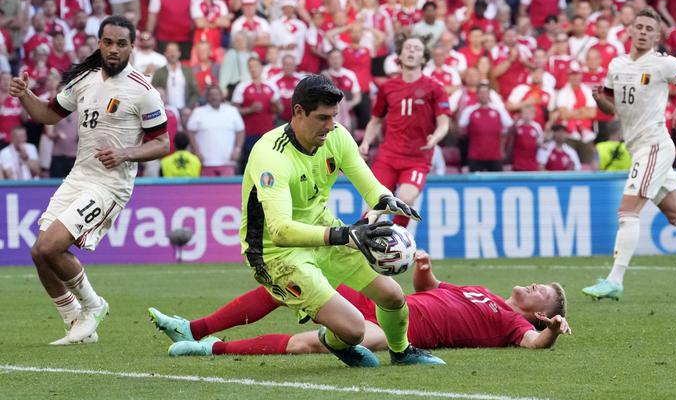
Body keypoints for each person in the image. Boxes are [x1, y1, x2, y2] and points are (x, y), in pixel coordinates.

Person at [195, 73, 442, 367]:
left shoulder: (336, 135)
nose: (331, 126)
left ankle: (401, 352)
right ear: (298, 112)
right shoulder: (270, 155)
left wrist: (385, 198)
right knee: (354, 330)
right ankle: (331, 340)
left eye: (334, 116)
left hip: (323, 230)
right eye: (323, 118)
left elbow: (368, 183)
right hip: (275, 252)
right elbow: (280, 230)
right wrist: (344, 235)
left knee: (392, 295)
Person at [8, 16, 169, 344]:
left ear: (131, 48)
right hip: (78, 177)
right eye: (108, 42)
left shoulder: (143, 91)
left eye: (121, 44)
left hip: (109, 185)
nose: (114, 49)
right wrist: (25, 95)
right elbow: (47, 115)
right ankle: (74, 322)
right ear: (99, 43)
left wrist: (125, 154)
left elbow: (162, 143)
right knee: (40, 252)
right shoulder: (84, 80)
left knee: (53, 246)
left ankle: (94, 306)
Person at [148, 251, 570, 356]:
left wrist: (550, 331)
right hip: (381, 302)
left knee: (310, 344)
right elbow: (432, 285)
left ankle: (211, 348)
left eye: (540, 291)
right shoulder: (485, 293)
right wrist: (422, 266)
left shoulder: (516, 328)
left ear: (538, 313)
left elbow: (534, 346)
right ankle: (196, 327)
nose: (532, 285)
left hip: (393, 332)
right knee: (289, 286)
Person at [583, 8, 676, 300]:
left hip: (654, 145)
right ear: (630, 30)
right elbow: (614, 111)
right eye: (639, 27)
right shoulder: (617, 65)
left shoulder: (664, 64)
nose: (643, 32)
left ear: (656, 35)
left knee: (627, 212)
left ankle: (615, 280)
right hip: (638, 147)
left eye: (649, 29)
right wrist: (600, 99)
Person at [359, 37, 451, 228]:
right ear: (400, 56)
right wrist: (366, 142)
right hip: (389, 155)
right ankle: (361, 250)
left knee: (405, 198)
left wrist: (436, 137)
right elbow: (376, 120)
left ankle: (399, 244)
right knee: (374, 205)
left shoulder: (435, 88)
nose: (411, 51)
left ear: (424, 58)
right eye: (407, 48)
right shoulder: (388, 87)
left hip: (417, 157)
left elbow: (444, 122)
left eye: (416, 49)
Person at [186, 85, 244, 177]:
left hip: (228, 162)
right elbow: (189, 131)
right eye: (211, 95)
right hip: (205, 163)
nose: (214, 97)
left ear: (221, 96)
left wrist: (237, 149)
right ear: (207, 97)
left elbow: (241, 130)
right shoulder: (198, 112)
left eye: (216, 94)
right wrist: (196, 151)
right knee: (207, 191)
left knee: (228, 191)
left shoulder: (232, 111)